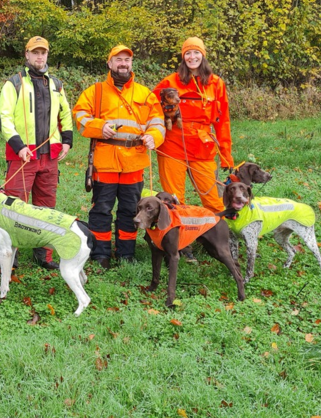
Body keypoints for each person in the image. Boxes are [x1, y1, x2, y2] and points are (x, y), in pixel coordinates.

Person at [72, 45, 165, 268]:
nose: (123, 63)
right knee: (101, 209)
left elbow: (158, 123)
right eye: (118, 59)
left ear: (131, 64)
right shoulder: (95, 91)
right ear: (110, 63)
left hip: (134, 162)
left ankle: (126, 253)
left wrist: (153, 137)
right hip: (105, 161)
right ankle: (100, 254)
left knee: (131, 209)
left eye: (127, 60)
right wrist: (99, 127)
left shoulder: (145, 94)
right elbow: (80, 116)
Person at [0, 36, 74, 270]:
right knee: (14, 207)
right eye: (35, 52)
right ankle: (11, 255)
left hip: (50, 156)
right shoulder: (14, 83)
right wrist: (19, 145)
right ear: (27, 55)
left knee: (46, 207)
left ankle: (43, 254)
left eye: (43, 53)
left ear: (47, 55)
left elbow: (66, 114)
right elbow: (3, 117)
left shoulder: (56, 84)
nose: (40, 57)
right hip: (22, 155)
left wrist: (67, 141)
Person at [153, 36, 234, 211]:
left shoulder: (216, 84)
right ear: (183, 56)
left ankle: (219, 227)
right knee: (174, 201)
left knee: (214, 200)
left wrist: (226, 155)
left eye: (196, 52)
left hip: (202, 146)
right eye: (188, 53)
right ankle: (177, 228)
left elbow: (223, 121)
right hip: (173, 144)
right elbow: (150, 108)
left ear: (203, 55)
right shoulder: (170, 82)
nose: (192, 57)